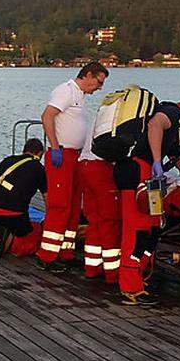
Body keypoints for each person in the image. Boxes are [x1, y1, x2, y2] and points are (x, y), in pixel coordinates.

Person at [114, 101, 180, 304]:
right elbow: (155, 125)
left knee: (152, 228)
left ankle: (138, 278)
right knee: (136, 230)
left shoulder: (176, 138)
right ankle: (129, 287)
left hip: (148, 174)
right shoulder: (172, 112)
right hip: (135, 170)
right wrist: (157, 161)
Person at [37, 62, 108, 272]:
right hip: (62, 155)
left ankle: (64, 251)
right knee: (60, 205)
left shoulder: (80, 97)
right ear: (87, 75)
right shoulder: (65, 91)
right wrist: (55, 146)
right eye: (98, 82)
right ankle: (46, 255)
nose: (99, 87)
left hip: (75, 156)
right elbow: (47, 116)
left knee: (74, 205)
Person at [0, 138, 48, 260]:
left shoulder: (7, 161)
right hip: (15, 216)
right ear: (40, 154)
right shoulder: (39, 168)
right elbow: (46, 197)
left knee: (6, 214)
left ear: (24, 150)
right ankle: (8, 234)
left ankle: (3, 235)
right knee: (26, 232)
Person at [77, 119, 121, 283]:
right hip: (101, 168)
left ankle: (92, 268)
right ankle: (112, 273)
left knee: (94, 220)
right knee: (110, 221)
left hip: (84, 164)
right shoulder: (122, 119)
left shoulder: (100, 115)